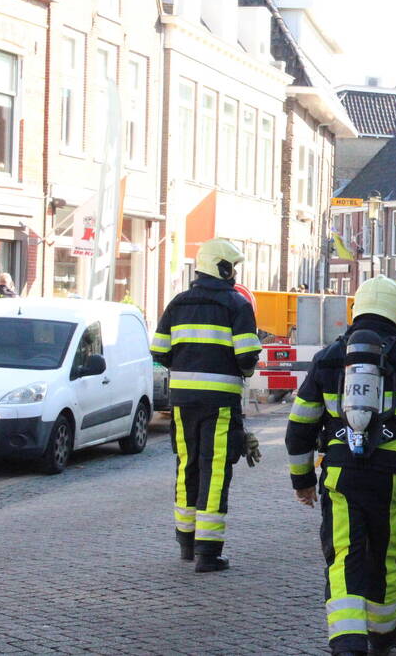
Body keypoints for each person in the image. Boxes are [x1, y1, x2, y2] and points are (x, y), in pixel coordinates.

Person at [285, 275, 396, 656]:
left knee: (345, 552)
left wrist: (302, 480)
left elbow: (298, 428)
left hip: (341, 472)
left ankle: (346, 641)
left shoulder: (329, 358)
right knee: (387, 551)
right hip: (392, 476)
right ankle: (384, 633)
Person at [150, 238, 262, 573]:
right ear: (223, 267)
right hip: (220, 402)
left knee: (187, 465)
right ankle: (208, 553)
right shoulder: (236, 305)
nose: (234, 273)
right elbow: (246, 356)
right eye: (233, 267)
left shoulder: (177, 303)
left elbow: (159, 352)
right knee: (214, 468)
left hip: (183, 401)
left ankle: (186, 542)